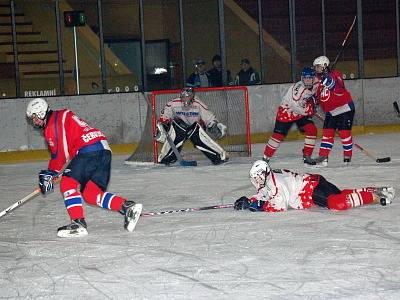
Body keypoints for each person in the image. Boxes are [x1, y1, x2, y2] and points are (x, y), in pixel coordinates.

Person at [26, 98, 142, 238]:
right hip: (103, 149)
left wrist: (50, 173)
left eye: (34, 117)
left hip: (88, 150)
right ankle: (126, 207)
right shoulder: (60, 115)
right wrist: (51, 174)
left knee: (67, 183)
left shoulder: (52, 125)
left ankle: (78, 224)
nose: (34, 121)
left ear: (41, 112)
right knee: (91, 193)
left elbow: (60, 155)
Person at [234, 160, 395, 213]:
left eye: (257, 177)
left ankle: (375, 198)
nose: (255, 180)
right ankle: (374, 190)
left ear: (264, 174)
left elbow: (280, 206)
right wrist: (250, 200)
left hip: (310, 189)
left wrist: (260, 206)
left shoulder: (275, 183)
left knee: (336, 204)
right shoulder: (269, 179)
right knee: (339, 195)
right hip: (314, 182)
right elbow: (265, 194)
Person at [155, 87, 228, 165]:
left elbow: (208, 117)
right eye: (183, 96)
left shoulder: (198, 104)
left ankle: (219, 156)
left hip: (194, 128)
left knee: (199, 138)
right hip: (179, 128)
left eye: (188, 96)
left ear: (192, 96)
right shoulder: (173, 103)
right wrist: (163, 126)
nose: (185, 98)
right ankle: (166, 158)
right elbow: (165, 116)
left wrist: (214, 125)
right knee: (175, 133)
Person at [307, 55, 355, 167]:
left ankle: (347, 156)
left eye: (317, 66)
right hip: (331, 111)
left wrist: (330, 82)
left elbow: (340, 89)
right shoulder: (317, 81)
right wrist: (312, 103)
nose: (315, 69)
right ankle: (323, 157)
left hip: (345, 108)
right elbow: (317, 96)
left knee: (344, 134)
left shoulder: (335, 75)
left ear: (324, 66)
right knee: (327, 135)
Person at [263, 67, 318, 165]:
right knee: (278, 136)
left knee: (312, 130)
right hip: (287, 111)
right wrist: (308, 111)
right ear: (302, 78)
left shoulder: (317, 84)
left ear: (314, 78)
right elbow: (295, 107)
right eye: (305, 78)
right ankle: (265, 158)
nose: (307, 80)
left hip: (301, 111)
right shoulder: (298, 89)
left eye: (310, 78)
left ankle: (307, 156)